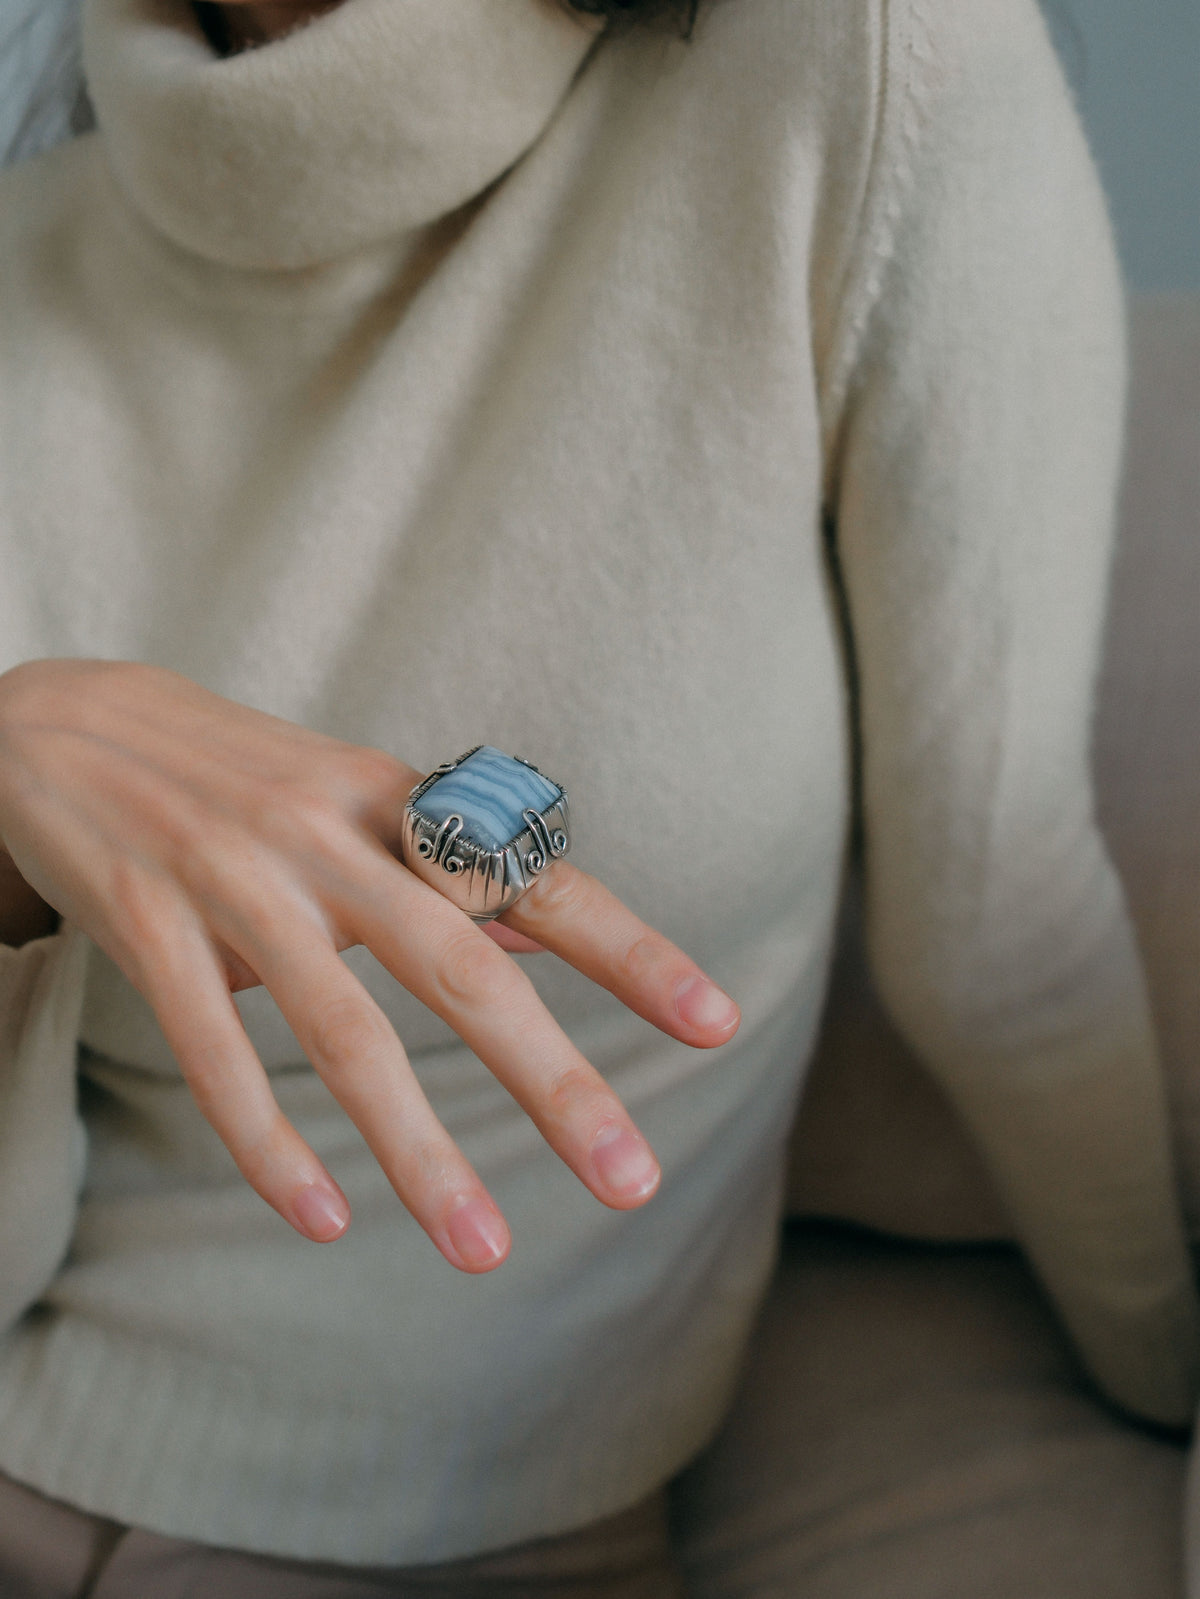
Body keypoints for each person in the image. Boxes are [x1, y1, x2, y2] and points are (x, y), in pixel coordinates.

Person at [0, 0, 1196, 1592]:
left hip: (475, 1519)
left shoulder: (867, 63)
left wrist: (1163, 1365)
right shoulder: (24, 257)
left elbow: (1000, 920)